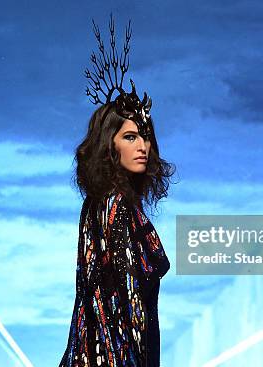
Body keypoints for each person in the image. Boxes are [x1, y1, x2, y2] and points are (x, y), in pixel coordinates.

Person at [59, 17, 175, 367]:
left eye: (145, 136)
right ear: (108, 146)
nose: (143, 146)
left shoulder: (103, 205)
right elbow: (113, 302)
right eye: (130, 137)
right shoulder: (115, 208)